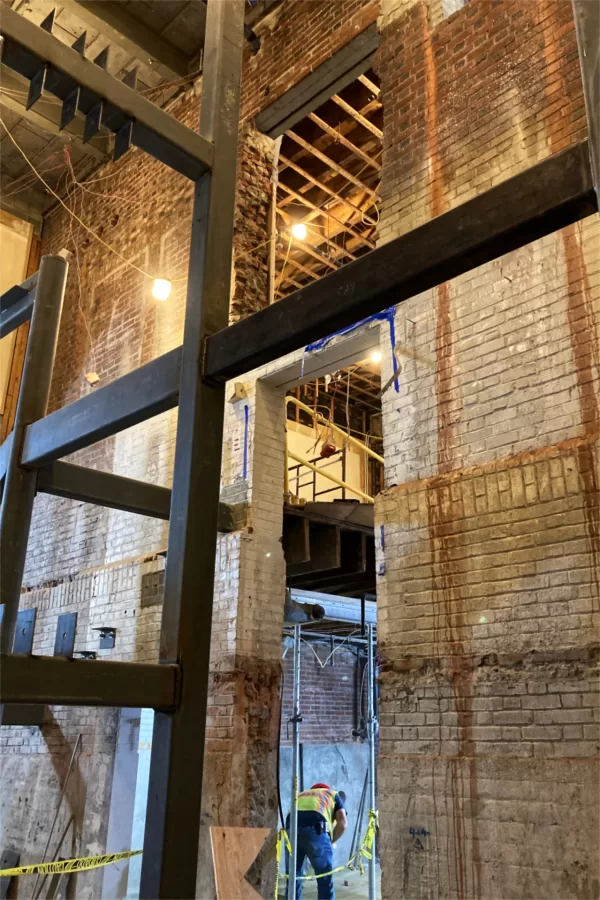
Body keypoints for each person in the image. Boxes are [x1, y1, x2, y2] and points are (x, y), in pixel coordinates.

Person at [285, 782, 348, 900]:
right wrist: (331, 841)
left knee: (293, 878)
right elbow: (343, 823)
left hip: (289, 831)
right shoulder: (332, 794)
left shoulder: (301, 795)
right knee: (324, 879)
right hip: (316, 829)